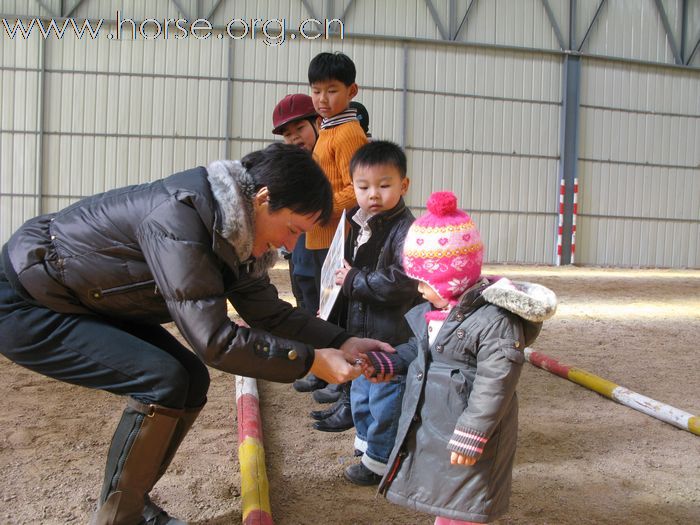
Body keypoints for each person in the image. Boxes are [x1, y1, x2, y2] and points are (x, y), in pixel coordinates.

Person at [0, 143, 391, 525]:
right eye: (291, 230)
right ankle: (118, 518)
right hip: (28, 302)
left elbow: (269, 314)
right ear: (262, 199)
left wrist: (340, 340)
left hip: (84, 296)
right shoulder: (181, 219)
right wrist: (311, 361)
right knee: (162, 379)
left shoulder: (233, 230)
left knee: (189, 379)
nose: (290, 245)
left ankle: (131, 504)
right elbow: (215, 342)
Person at [360, 192, 557, 523]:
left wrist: (473, 431)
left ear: (450, 279)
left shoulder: (495, 321)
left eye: (424, 282)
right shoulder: (438, 313)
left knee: (464, 504)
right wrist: (391, 362)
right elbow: (423, 351)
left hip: (470, 436)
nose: (419, 290)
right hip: (441, 429)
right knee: (451, 502)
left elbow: (496, 383)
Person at [316, 141, 423, 484]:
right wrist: (332, 305)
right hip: (363, 332)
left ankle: (379, 462)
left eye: (384, 185)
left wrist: (355, 280)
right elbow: (346, 277)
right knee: (361, 392)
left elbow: (403, 281)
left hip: (391, 336)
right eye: (363, 187)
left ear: (403, 185)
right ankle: (365, 446)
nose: (373, 194)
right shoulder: (360, 224)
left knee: (385, 398)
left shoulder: (407, 230)